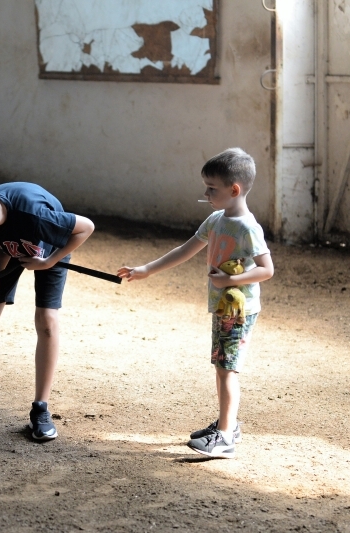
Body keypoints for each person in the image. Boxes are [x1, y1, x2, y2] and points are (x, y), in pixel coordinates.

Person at [118, 148, 274, 458]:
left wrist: (229, 281)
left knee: (228, 369)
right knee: (221, 366)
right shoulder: (217, 218)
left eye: (211, 188)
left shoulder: (247, 228)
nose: (205, 192)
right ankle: (227, 424)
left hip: (238, 310)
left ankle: (226, 437)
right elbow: (186, 249)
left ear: (234, 190)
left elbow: (266, 269)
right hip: (221, 307)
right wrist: (146, 270)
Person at [0, 181, 95, 441]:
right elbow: (2, 242)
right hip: (10, 246)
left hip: (49, 250)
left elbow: (86, 228)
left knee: (47, 322)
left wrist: (49, 261)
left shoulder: (37, 217)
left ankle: (41, 408)